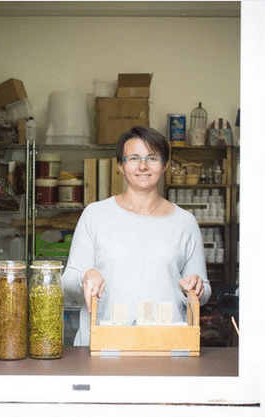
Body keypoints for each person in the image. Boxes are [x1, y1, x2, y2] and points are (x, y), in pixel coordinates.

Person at [62, 125, 211, 346]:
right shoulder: (95, 214)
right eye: (133, 158)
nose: (143, 166)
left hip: (165, 345)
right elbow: (67, 281)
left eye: (152, 158)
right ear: (120, 166)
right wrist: (85, 275)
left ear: (165, 165)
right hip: (104, 343)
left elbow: (204, 289)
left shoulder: (184, 223)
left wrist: (198, 286)